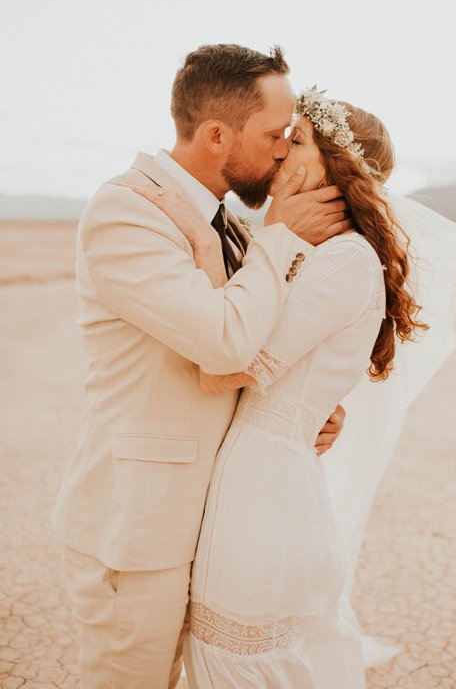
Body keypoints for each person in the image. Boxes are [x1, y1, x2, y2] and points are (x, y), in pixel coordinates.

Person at [52, 47, 351, 689]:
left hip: (208, 527)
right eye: (274, 134)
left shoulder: (227, 223)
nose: (283, 151)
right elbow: (222, 340)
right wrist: (281, 235)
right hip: (138, 530)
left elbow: (249, 343)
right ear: (217, 135)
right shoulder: (126, 212)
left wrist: (302, 410)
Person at [134, 87, 430, 688]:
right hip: (255, 473)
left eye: (296, 141)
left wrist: (207, 243)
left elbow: (222, 370)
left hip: (263, 488)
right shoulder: (310, 252)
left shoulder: (345, 260)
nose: (279, 153)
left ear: (335, 167)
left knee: (241, 661)